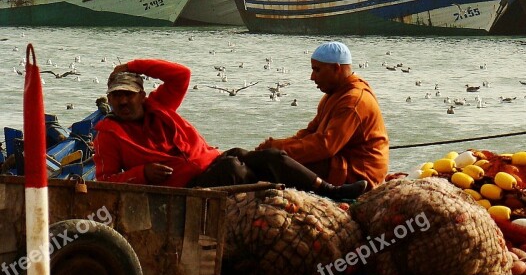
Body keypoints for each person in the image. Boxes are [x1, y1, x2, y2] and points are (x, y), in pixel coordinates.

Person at [93, 58, 367, 200]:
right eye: (117, 96)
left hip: (213, 161)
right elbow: (103, 182)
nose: (123, 101)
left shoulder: (160, 105)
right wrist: (143, 173)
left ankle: (331, 191)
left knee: (272, 155)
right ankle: (276, 192)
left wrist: (133, 66)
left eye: (129, 94)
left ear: (142, 95)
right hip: (187, 187)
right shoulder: (108, 133)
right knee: (234, 169)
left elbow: (181, 74)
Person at [256, 41, 388, 189]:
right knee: (270, 160)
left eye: (317, 70)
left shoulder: (353, 100)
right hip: (338, 161)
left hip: (360, 174)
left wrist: (278, 151)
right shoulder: (333, 94)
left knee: (278, 165)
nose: (312, 77)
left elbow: (326, 146)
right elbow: (309, 133)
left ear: (336, 68)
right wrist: (274, 147)